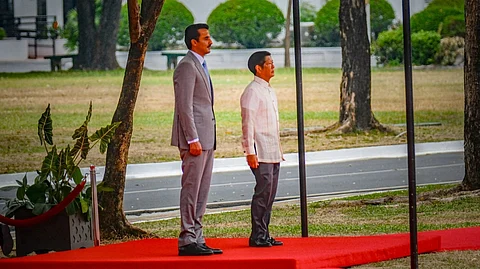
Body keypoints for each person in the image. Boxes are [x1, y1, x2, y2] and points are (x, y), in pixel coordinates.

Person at [170, 23, 222, 256]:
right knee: (191, 189)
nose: (210, 42)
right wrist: (192, 138)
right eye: (206, 38)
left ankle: (197, 237)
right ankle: (187, 239)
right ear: (194, 42)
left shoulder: (200, 64)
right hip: (195, 140)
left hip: (207, 138)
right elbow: (184, 107)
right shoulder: (187, 66)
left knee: (202, 190)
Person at [240, 51, 284, 247]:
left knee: (270, 195)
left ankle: (264, 234)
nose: (273, 66)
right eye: (269, 63)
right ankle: (257, 235)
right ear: (258, 68)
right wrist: (250, 151)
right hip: (261, 150)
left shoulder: (268, 90)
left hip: (273, 149)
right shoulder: (252, 92)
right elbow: (247, 124)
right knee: (262, 194)